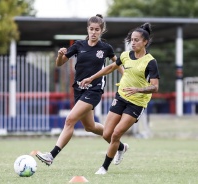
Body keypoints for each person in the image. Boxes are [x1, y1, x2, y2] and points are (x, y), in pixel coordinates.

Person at [36, 14, 125, 166]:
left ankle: (51, 155)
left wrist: (126, 78)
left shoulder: (105, 48)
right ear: (87, 29)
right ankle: (121, 146)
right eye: (91, 29)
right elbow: (60, 63)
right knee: (90, 127)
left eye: (97, 29)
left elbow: (117, 64)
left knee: (70, 119)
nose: (94, 32)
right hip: (79, 90)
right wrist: (59, 55)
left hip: (94, 90)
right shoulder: (79, 45)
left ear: (101, 31)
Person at [79, 22, 160, 175]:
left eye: (137, 40)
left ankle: (104, 167)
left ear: (145, 42)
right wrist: (91, 77)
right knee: (106, 134)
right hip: (121, 97)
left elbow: (155, 87)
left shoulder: (150, 61)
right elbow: (110, 67)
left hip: (137, 103)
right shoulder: (125, 55)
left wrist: (138, 89)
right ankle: (122, 148)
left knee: (116, 134)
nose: (133, 43)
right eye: (132, 40)